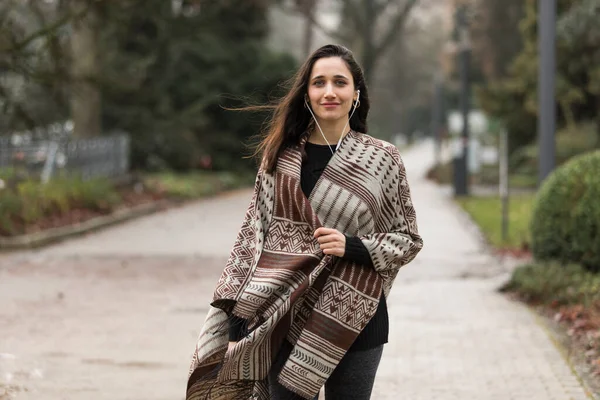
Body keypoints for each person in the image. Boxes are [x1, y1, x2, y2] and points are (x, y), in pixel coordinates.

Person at [186, 44, 423, 400]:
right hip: (284, 311)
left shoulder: (382, 159)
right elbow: (253, 235)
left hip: (354, 315)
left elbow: (407, 239)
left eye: (340, 82)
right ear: (307, 94)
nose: (329, 92)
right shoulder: (280, 156)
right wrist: (235, 305)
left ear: (355, 94)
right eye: (319, 83)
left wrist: (353, 246)